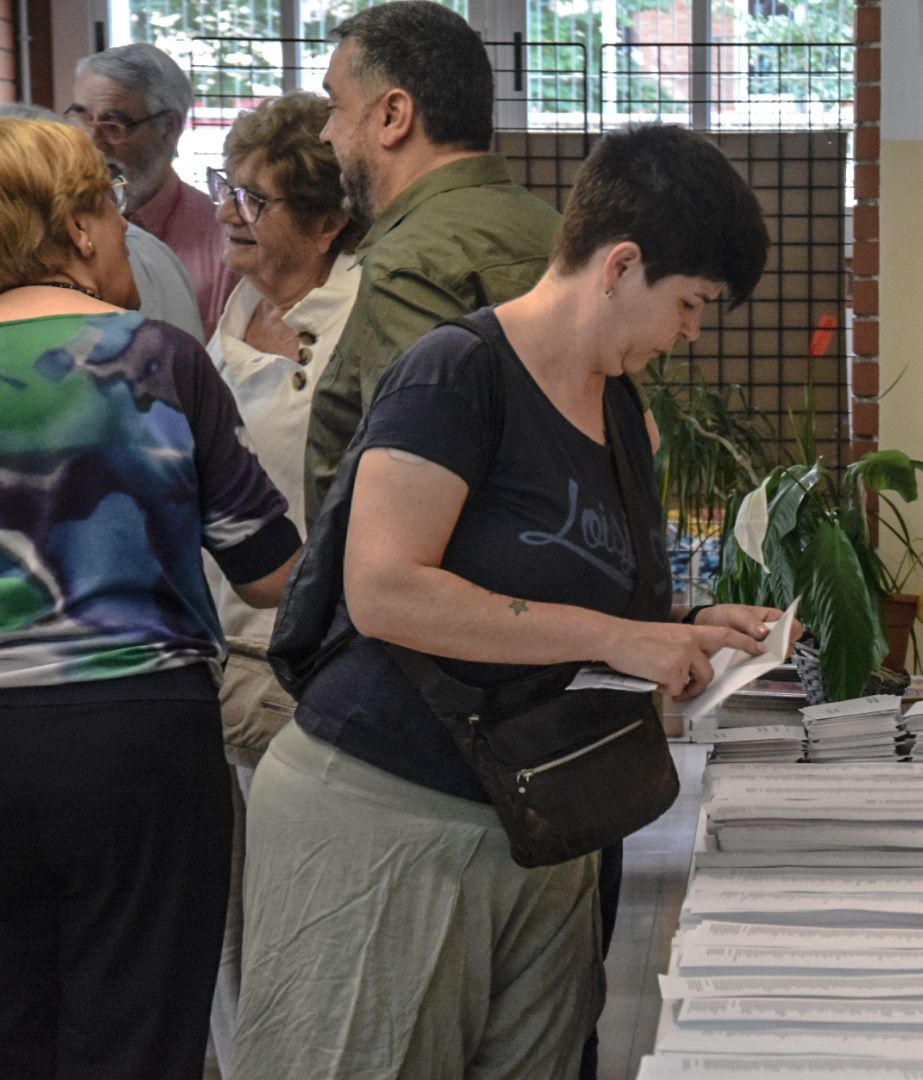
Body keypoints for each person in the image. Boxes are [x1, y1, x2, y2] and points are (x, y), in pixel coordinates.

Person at [233, 124, 778, 1080]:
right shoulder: (458, 372)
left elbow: (564, 587)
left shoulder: (623, 413)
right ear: (621, 266)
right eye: (690, 302)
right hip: (388, 808)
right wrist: (618, 635)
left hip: (539, 815)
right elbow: (386, 589)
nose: (691, 331)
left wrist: (685, 630)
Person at [0, 117, 301, 1080]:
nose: (128, 233)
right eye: (114, 207)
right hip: (138, 738)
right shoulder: (161, 359)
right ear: (78, 228)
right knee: (136, 1034)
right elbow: (267, 570)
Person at [200, 90, 363, 1077]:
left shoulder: (355, 323)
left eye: (253, 200)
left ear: (328, 220)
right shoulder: (235, 302)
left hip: (295, 662)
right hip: (213, 651)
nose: (226, 212)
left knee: (298, 922)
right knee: (225, 925)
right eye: (224, 187)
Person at [304, 0, 563, 521]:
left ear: (393, 116)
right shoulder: (557, 232)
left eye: (335, 106)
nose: (326, 133)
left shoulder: (411, 261)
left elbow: (413, 494)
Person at [0, 100, 206, 342]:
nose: (123, 223)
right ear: (78, 226)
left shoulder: (141, 252)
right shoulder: (155, 350)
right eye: (106, 197)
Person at [68, 43, 236, 335]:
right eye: (81, 119)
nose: (92, 143)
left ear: (169, 127)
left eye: (113, 125)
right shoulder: (53, 226)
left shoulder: (223, 242)